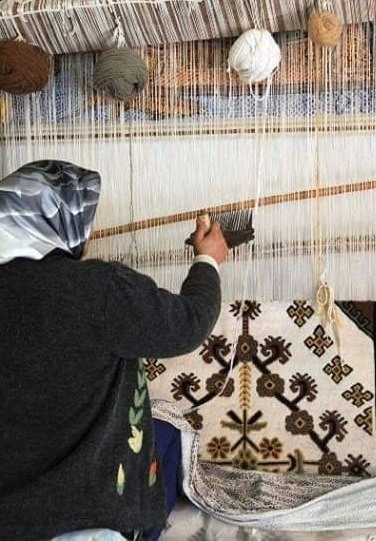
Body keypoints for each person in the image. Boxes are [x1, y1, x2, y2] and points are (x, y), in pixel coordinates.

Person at [0, 160, 228, 540]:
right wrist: (209, 260)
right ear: (63, 223)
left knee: (166, 432)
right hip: (85, 523)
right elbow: (188, 323)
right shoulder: (98, 289)